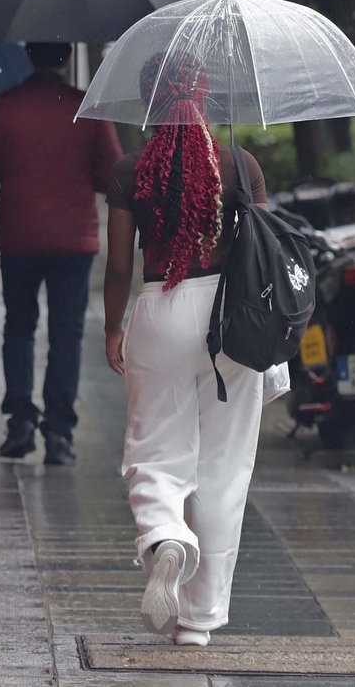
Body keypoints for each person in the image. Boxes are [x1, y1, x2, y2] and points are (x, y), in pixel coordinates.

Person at [102, 52, 268, 649]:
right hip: (230, 323)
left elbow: (119, 262)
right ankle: (198, 624)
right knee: (223, 471)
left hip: (160, 313)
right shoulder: (240, 165)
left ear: (150, 98)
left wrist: (111, 327)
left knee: (154, 452)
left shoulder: (131, 169)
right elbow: (262, 257)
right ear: (203, 92)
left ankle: (165, 537)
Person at [0, 42, 123, 466]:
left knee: (17, 327)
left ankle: (19, 421)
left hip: (18, 237)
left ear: (28, 57)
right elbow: (114, 177)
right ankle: (59, 433)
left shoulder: (0, 109)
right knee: (66, 333)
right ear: (67, 59)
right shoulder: (86, 109)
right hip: (73, 239)